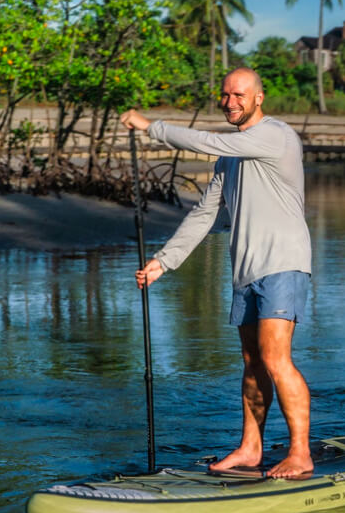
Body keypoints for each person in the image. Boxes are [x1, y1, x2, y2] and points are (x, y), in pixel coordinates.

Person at [120, 67, 313, 478]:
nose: (230, 102)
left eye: (239, 95)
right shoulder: (232, 156)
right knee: (251, 361)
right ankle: (250, 448)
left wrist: (151, 126)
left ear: (259, 98)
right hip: (246, 269)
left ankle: (300, 453)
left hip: (283, 262)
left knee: (276, 358)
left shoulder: (274, 135)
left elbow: (206, 141)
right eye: (225, 95)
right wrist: (164, 261)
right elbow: (206, 212)